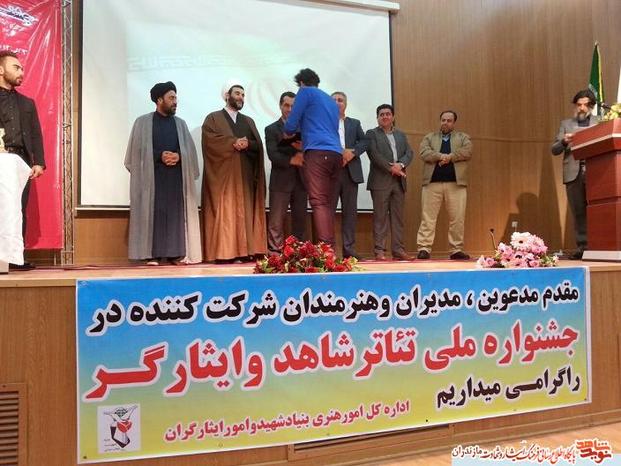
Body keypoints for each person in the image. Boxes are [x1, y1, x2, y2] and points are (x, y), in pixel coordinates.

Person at [124, 81, 202, 265]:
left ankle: (175, 253)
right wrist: (159, 156)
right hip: (152, 179)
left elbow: (190, 153)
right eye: (171, 98)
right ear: (159, 100)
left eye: (176, 98)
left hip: (175, 179)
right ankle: (152, 254)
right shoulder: (142, 123)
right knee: (155, 214)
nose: (175, 102)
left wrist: (179, 156)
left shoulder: (180, 124)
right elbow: (135, 154)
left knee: (175, 215)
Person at [202, 84, 267, 262]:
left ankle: (246, 252)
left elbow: (258, 146)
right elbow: (209, 142)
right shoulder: (213, 118)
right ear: (227, 95)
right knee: (227, 214)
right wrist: (232, 142)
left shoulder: (248, 121)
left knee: (244, 213)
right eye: (237, 93)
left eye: (243, 95)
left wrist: (248, 144)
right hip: (224, 178)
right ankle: (225, 253)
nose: (241, 97)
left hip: (245, 178)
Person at [283, 68, 343, 248]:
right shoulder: (331, 101)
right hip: (336, 154)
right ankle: (330, 248)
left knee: (318, 201)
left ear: (301, 83)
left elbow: (291, 125)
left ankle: (327, 249)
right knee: (328, 203)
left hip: (317, 152)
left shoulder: (305, 92)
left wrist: (289, 133)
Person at [0, 50, 45, 271]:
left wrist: (39, 162)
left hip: (20, 162)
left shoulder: (27, 103)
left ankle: (15, 257)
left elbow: (36, 134)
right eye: (16, 67)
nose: (21, 72)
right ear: (1, 70)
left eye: (22, 68)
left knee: (17, 209)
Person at [416, 110, 472, 260]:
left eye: (449, 120)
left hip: (456, 184)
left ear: (454, 123)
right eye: (443, 120)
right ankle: (424, 248)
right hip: (432, 183)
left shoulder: (463, 137)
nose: (445, 123)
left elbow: (467, 152)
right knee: (428, 217)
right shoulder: (429, 137)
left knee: (457, 218)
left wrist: (450, 157)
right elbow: (424, 153)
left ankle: (456, 249)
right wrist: (441, 156)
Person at [551, 89, 598, 260]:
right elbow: (554, 149)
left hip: (597, 171)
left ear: (592, 107)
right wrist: (565, 141)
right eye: (579, 105)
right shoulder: (566, 124)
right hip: (573, 173)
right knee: (579, 212)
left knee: (598, 210)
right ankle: (582, 247)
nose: (582, 108)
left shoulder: (600, 123)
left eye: (585, 105)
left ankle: (600, 245)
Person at [366, 104, 413, 261]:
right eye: (381, 114)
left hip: (399, 182)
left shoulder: (401, 135)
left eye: (387, 114)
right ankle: (379, 251)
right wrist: (391, 168)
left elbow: (409, 153)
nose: (385, 116)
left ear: (393, 117)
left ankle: (398, 250)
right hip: (380, 181)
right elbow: (374, 154)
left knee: (398, 218)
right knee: (380, 218)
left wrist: (401, 165)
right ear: (377, 118)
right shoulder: (372, 134)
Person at [264, 91, 308, 254]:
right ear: (280, 106)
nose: (290, 109)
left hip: (302, 181)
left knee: (300, 220)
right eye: (286, 105)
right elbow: (273, 155)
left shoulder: (306, 129)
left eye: (293, 106)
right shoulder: (271, 129)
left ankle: (299, 254)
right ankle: (275, 253)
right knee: (276, 221)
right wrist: (292, 159)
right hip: (280, 181)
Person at [331, 91, 367, 259]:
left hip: (351, 173)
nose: (337, 102)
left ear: (345, 104)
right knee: (328, 212)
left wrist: (352, 153)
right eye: (334, 100)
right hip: (331, 172)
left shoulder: (355, 123)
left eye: (340, 100)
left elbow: (365, 141)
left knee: (350, 214)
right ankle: (328, 251)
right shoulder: (324, 123)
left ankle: (349, 250)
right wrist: (340, 152)